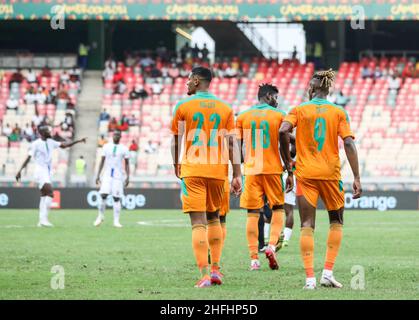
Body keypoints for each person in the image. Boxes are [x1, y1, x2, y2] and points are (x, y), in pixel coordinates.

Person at [279, 69, 362, 289]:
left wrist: (288, 166)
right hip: (331, 175)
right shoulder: (338, 112)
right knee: (336, 221)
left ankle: (309, 279)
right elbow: (349, 143)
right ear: (328, 89)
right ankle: (327, 273)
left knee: (307, 224)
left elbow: (282, 131)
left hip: (305, 175)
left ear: (313, 88)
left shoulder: (298, 109)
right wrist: (357, 177)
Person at [171, 66, 242, 288]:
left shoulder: (183, 106)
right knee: (214, 219)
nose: (186, 83)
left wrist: (177, 164)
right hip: (218, 172)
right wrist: (237, 174)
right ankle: (216, 270)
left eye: (188, 79)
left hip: (193, 170)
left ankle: (203, 275)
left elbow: (176, 139)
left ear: (196, 80)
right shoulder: (225, 108)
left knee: (197, 223)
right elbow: (233, 143)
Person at [236, 83, 286, 271]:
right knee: (279, 208)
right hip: (273, 169)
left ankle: (254, 260)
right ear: (267, 96)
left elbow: (235, 144)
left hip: (251, 170)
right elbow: (285, 142)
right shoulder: (280, 116)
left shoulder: (243, 116)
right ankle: (271, 246)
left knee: (252, 213)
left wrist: (240, 166)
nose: (276, 101)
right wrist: (289, 166)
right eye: (275, 97)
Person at [16, 126, 87, 227]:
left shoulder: (51, 142)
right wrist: (20, 170)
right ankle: (44, 219)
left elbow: (64, 145)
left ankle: (40, 221)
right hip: (40, 170)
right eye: (47, 131)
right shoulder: (35, 144)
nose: (50, 132)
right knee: (50, 193)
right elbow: (28, 158)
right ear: (42, 133)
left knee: (44, 195)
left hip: (48, 171)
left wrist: (78, 141)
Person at [94, 130, 130, 228]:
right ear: (112, 136)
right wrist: (98, 175)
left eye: (118, 135)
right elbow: (102, 161)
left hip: (118, 176)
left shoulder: (124, 149)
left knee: (116, 198)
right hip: (107, 175)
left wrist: (128, 177)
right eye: (115, 134)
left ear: (120, 137)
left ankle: (116, 221)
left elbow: (127, 164)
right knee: (103, 195)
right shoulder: (106, 147)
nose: (116, 136)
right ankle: (100, 216)